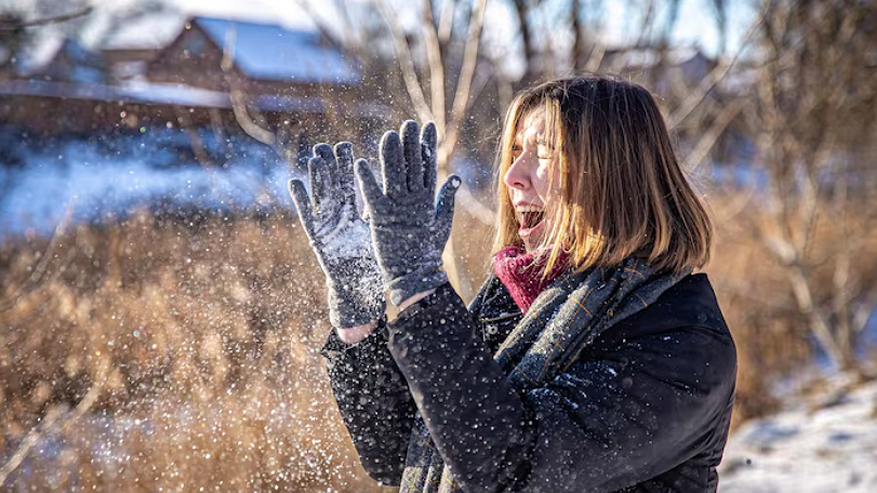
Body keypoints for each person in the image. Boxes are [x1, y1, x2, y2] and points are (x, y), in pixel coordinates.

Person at [289, 75, 737, 493]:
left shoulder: (682, 340)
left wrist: (419, 289)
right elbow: (403, 449)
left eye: (543, 152)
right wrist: (360, 316)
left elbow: (510, 465)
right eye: (516, 151)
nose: (512, 176)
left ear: (614, 174)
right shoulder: (514, 297)